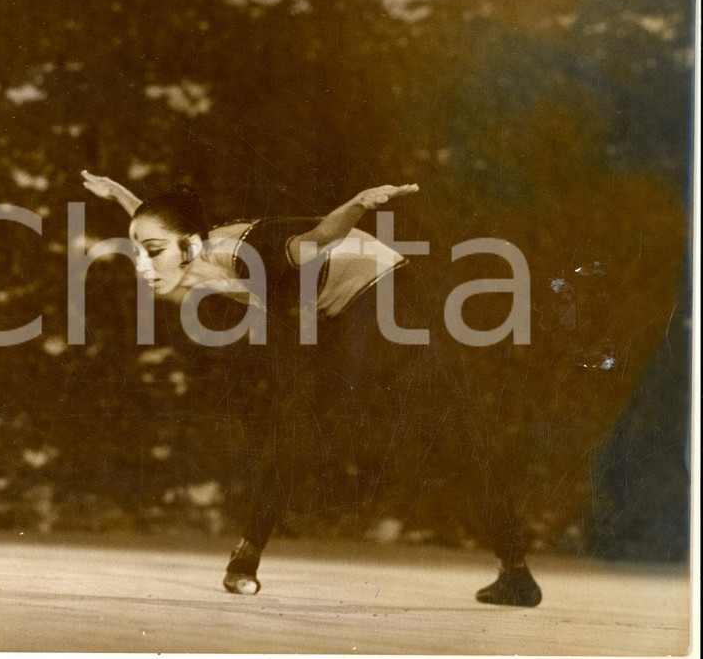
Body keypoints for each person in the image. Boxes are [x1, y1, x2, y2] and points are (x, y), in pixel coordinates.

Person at [80, 170, 543, 608]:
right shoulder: (176, 249)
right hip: (331, 307)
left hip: (382, 287)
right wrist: (121, 194)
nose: (143, 267)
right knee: (301, 419)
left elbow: (320, 237)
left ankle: (513, 566)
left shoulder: (248, 252)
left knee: (422, 430)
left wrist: (360, 204)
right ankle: (246, 557)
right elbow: (155, 223)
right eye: (138, 251)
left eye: (151, 252)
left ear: (189, 245)